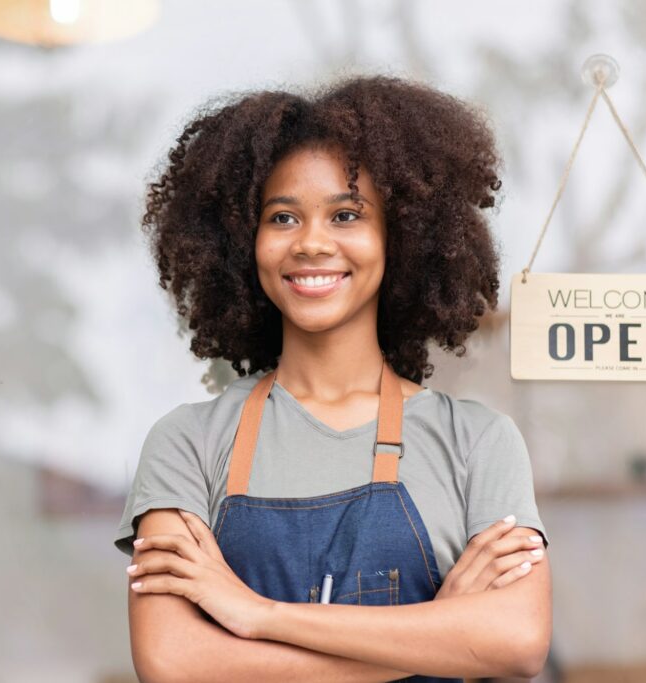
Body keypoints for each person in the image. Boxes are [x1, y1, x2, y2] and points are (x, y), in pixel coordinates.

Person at [113, 74, 552, 682]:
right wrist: (436, 632)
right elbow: (174, 662)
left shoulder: (477, 443)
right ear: (243, 242)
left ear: (402, 237)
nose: (312, 243)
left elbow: (517, 640)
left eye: (346, 215)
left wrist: (258, 615)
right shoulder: (188, 443)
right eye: (283, 217)